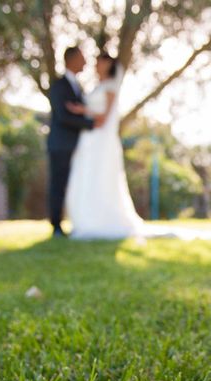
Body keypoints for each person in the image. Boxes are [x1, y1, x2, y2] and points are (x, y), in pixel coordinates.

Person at [64, 52, 145, 239]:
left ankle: (100, 220)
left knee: (100, 177)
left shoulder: (109, 87)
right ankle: (84, 220)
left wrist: (82, 110)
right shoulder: (97, 86)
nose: (96, 65)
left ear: (109, 64)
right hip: (87, 140)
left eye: (100, 62)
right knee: (85, 178)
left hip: (101, 140)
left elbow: (105, 117)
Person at [46, 46, 104, 238]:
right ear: (71, 60)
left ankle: (76, 221)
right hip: (60, 145)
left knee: (74, 184)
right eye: (82, 58)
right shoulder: (58, 86)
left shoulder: (78, 86)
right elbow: (63, 117)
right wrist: (90, 123)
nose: (85, 62)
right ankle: (56, 225)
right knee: (58, 183)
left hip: (77, 145)